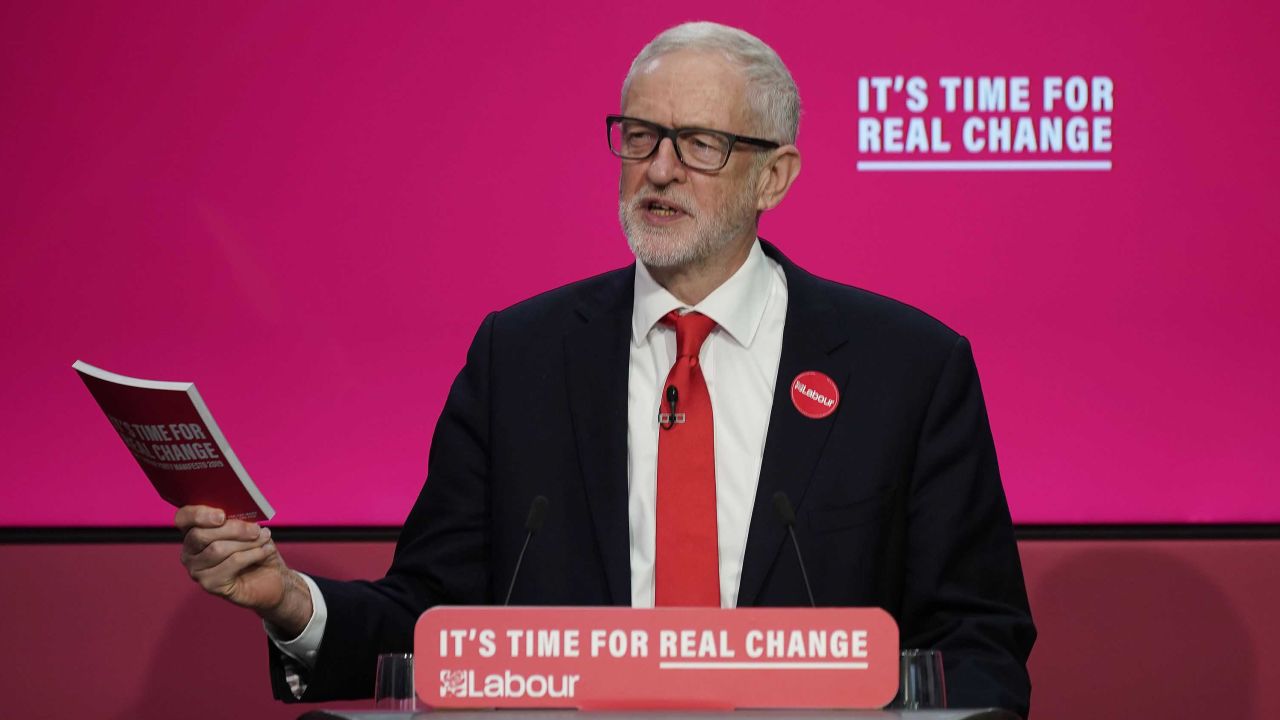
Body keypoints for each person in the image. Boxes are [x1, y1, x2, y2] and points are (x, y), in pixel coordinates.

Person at [176, 21, 1035, 716]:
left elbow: (979, 642)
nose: (659, 169)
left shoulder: (908, 368)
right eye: (640, 136)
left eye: (699, 143)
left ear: (774, 175)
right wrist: (291, 602)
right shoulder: (519, 357)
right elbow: (430, 617)